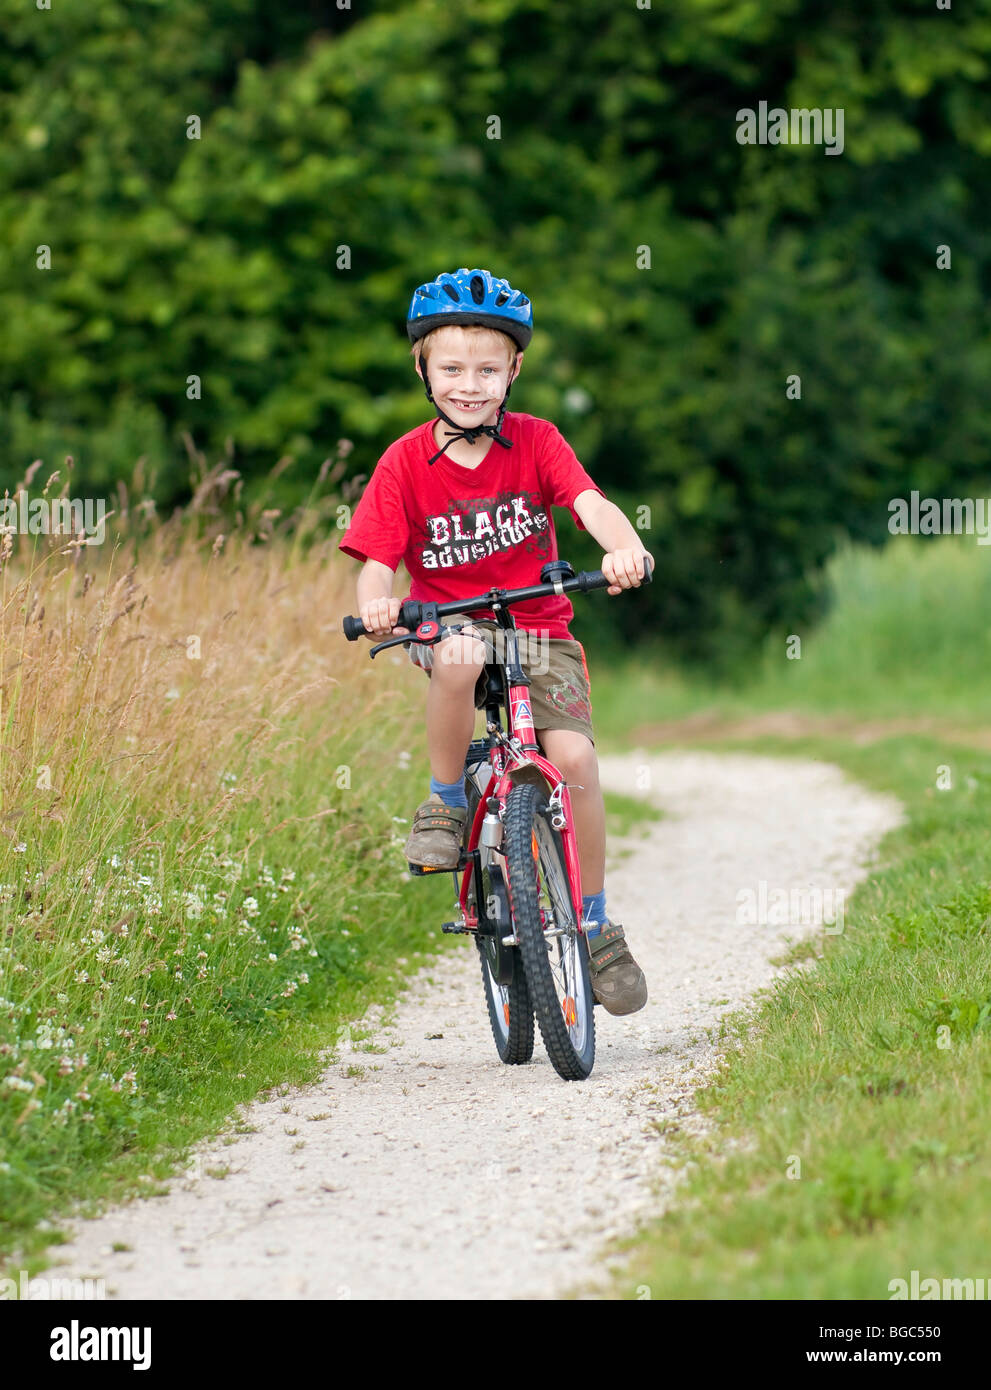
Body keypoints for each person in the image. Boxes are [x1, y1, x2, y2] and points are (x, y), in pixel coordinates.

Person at [338, 268, 652, 1015]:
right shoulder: (404, 462)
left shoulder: (537, 441)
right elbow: (376, 559)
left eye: (486, 369)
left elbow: (588, 503)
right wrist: (380, 605)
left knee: (572, 758)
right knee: (460, 652)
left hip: (538, 630)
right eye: (451, 368)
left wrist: (623, 546)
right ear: (423, 369)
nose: (469, 385)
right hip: (449, 628)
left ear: (514, 370)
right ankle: (446, 806)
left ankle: (596, 923)